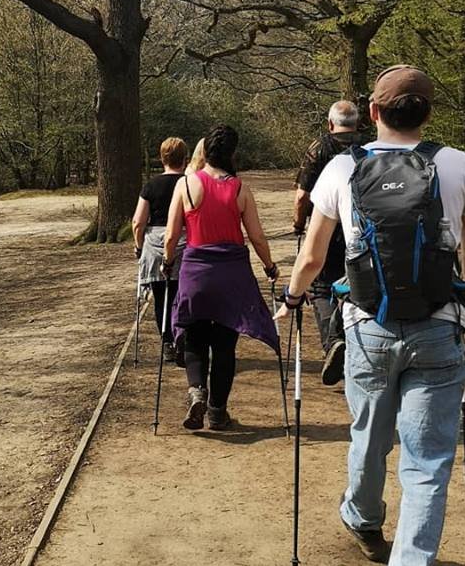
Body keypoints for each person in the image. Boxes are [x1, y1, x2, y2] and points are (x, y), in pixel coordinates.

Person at [276, 65, 465, 566]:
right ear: (427, 112)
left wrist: (292, 299)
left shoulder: (342, 168)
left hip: (368, 327)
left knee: (369, 433)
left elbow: (314, 255)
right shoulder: (459, 164)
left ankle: (363, 518)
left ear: (373, 112)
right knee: (428, 464)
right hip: (438, 329)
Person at [164, 124, 280, 431]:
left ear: (205, 152)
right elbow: (256, 235)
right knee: (225, 344)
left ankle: (196, 391)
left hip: (196, 271)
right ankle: (217, 411)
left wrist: (167, 261)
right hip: (232, 273)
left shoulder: (186, 185)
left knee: (194, 336)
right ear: (232, 153)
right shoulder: (240, 188)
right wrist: (270, 266)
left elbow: (172, 235)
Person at [293, 100, 364, 386]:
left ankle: (333, 343)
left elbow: (302, 195)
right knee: (357, 285)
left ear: (330, 123)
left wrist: (299, 224)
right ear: (357, 123)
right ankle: (355, 345)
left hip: (326, 228)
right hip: (359, 229)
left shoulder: (319, 148)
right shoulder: (369, 147)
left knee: (321, 288)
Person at [133, 137, 189, 364]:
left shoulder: (150, 186)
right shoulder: (189, 184)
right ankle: (182, 336)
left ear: (161, 158)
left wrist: (138, 247)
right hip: (186, 243)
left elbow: (138, 222)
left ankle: (166, 341)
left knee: (160, 297)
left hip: (155, 246)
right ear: (184, 159)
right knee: (183, 295)